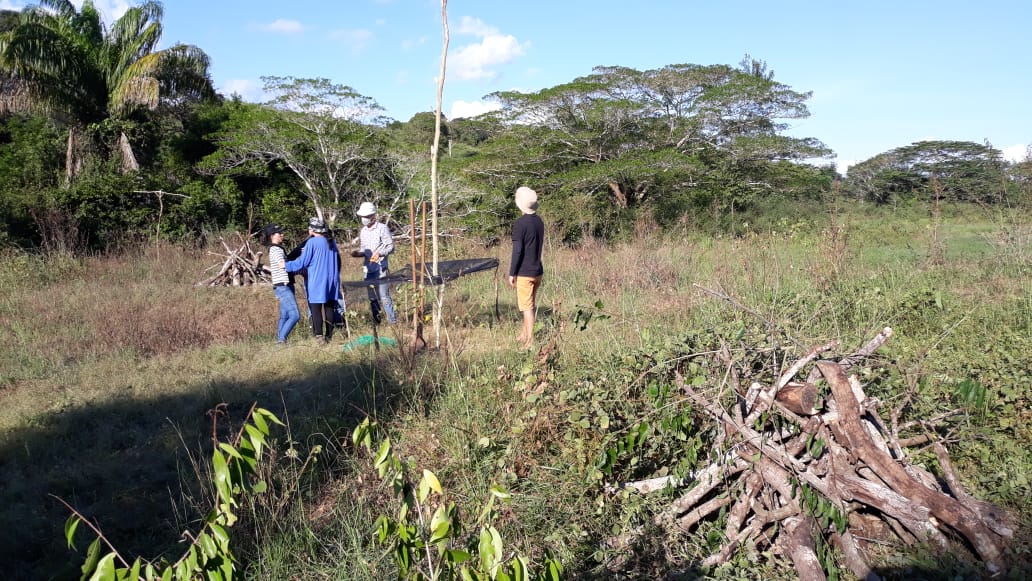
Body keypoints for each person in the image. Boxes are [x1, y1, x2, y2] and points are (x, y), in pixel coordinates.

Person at [285, 216, 341, 343]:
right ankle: (329, 337)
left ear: (312, 229)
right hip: (332, 280)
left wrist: (286, 265)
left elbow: (302, 263)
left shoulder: (312, 242)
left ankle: (319, 337)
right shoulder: (332, 241)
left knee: (316, 308)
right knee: (329, 308)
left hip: (317, 280)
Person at [508, 186, 544, 349]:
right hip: (538, 271)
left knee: (526, 307)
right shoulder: (539, 221)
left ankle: (530, 341)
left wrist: (512, 273)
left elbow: (517, 251)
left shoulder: (520, 224)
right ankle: (524, 334)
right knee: (530, 304)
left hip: (525, 272)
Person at [350, 201, 397, 325]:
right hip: (368, 268)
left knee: (384, 296)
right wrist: (357, 254)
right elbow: (364, 250)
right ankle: (377, 321)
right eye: (362, 216)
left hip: (381, 268)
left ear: (373, 216)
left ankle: (392, 322)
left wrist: (380, 253)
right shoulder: (363, 231)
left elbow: (391, 247)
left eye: (366, 216)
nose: (364, 219)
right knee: (372, 297)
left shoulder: (382, 228)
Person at [263, 223, 300, 344]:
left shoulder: (277, 249)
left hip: (285, 286)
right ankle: (281, 340)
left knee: (284, 316)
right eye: (279, 233)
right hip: (283, 287)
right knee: (295, 315)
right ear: (272, 236)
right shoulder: (275, 249)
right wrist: (300, 264)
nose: (282, 235)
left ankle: (280, 342)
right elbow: (282, 265)